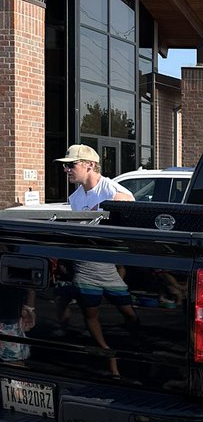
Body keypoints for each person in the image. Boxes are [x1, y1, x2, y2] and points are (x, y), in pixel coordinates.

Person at [55, 144, 137, 377]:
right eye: (65, 166)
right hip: (85, 262)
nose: (66, 170)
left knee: (129, 312)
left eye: (71, 165)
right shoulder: (74, 197)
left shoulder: (112, 190)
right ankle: (107, 355)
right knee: (90, 313)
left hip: (108, 263)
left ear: (90, 165)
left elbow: (129, 211)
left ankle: (135, 343)